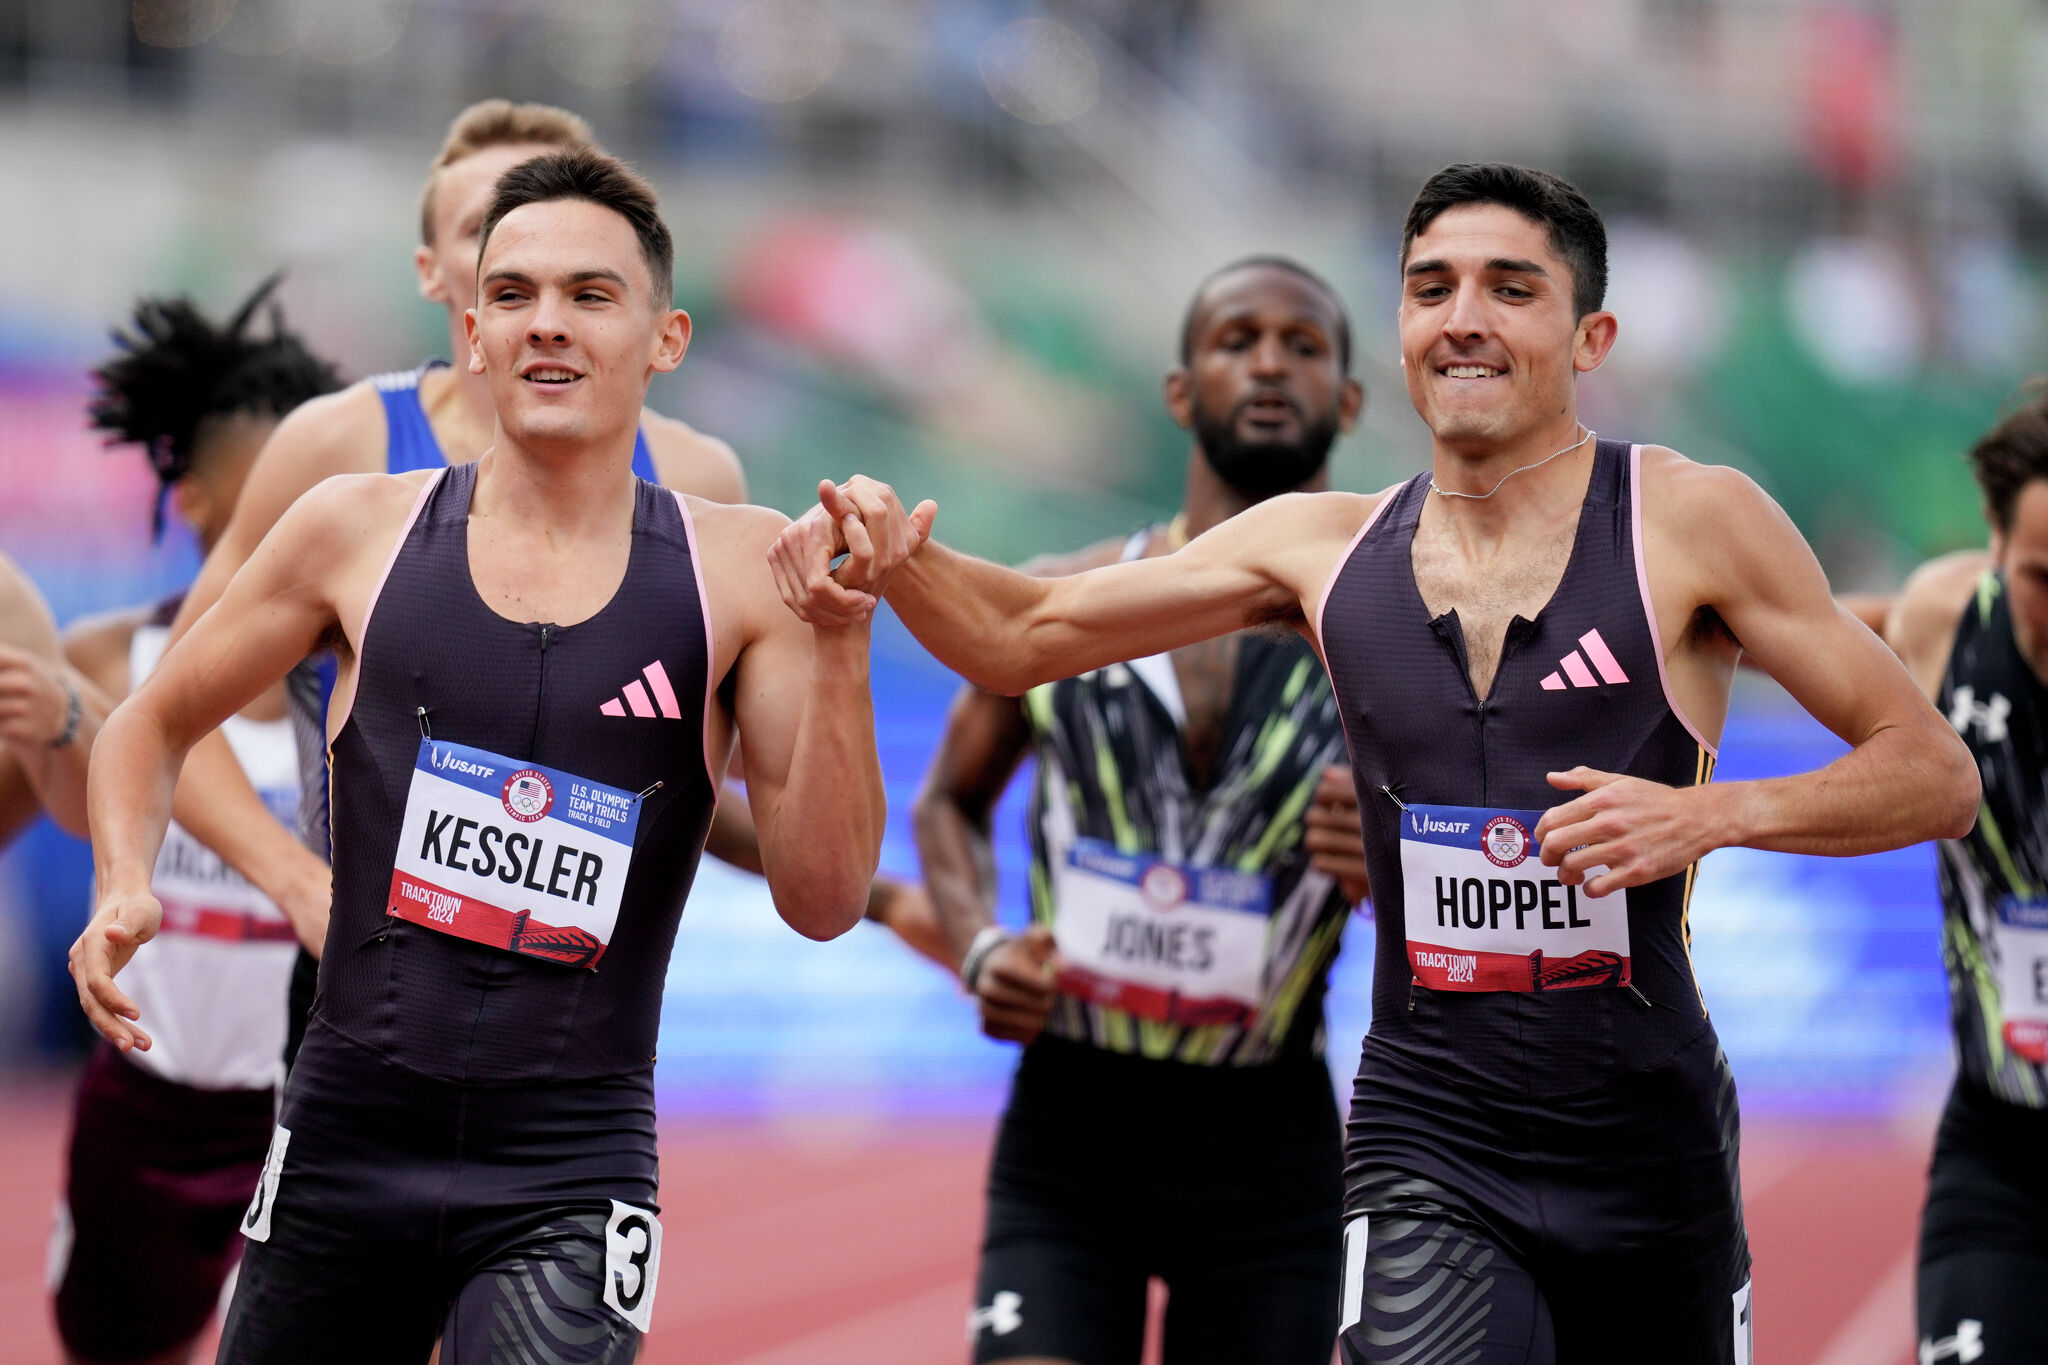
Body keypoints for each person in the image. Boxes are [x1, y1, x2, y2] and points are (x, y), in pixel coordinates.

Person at [772, 162, 1981, 1364]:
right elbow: (1021, 634)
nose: (1462, 317)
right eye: (1429, 288)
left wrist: (1709, 815)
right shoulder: (1321, 547)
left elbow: (1932, 773)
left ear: (1590, 333)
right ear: (1402, 328)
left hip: (1646, 1140)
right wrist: (892, 548)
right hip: (1426, 1135)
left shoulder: (1689, 521)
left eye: (1509, 288)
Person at [72, 148, 904, 1362]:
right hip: (344, 1139)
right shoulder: (355, 528)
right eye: (511, 296)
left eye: (588, 295)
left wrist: (837, 654)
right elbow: (149, 720)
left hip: (568, 1170)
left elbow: (822, 900)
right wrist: (123, 883)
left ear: (667, 338)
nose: (545, 326)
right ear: (469, 331)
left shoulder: (747, 572)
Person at [155, 98, 934, 1063]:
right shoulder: (340, 455)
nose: (546, 292)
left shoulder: (699, 487)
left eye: (584, 273)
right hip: (351, 961)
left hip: (571, 1003)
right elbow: (168, 705)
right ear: (445, 277)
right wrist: (291, 876)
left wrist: (883, 893)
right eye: (493, 235)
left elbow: (683, 771)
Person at [917, 255, 1371, 1364]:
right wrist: (977, 945)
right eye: (1235, 340)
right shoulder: (1059, 608)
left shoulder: (1382, 648)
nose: (1267, 362)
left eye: (1301, 346)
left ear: (1348, 403)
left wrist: (1393, 858)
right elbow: (945, 806)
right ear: (1179, 391)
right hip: (1072, 1127)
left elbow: (1476, 868)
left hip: (1272, 1139)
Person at [38, 280, 343, 1365]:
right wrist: (60, 731)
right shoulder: (104, 660)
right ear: (204, 502)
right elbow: (59, 814)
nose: (297, 515)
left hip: (309, 1103)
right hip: (150, 1100)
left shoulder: (369, 687)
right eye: (268, 489)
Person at [1871, 390, 2048, 1364]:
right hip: (2001, 1148)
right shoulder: (1943, 617)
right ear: (1990, 545)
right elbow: (1805, 631)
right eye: (2042, 579)